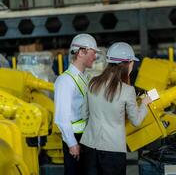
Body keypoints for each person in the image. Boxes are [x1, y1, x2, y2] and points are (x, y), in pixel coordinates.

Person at [80, 42, 152, 175]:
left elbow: (84, 114)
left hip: (89, 147)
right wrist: (144, 104)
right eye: (132, 63)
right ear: (127, 63)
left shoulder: (92, 83)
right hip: (112, 151)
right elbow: (136, 121)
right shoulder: (127, 90)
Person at [54, 33, 100, 175]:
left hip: (85, 138)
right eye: (93, 52)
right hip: (75, 139)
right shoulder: (65, 81)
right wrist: (72, 143)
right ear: (81, 52)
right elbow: (61, 118)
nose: (95, 57)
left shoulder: (83, 77)